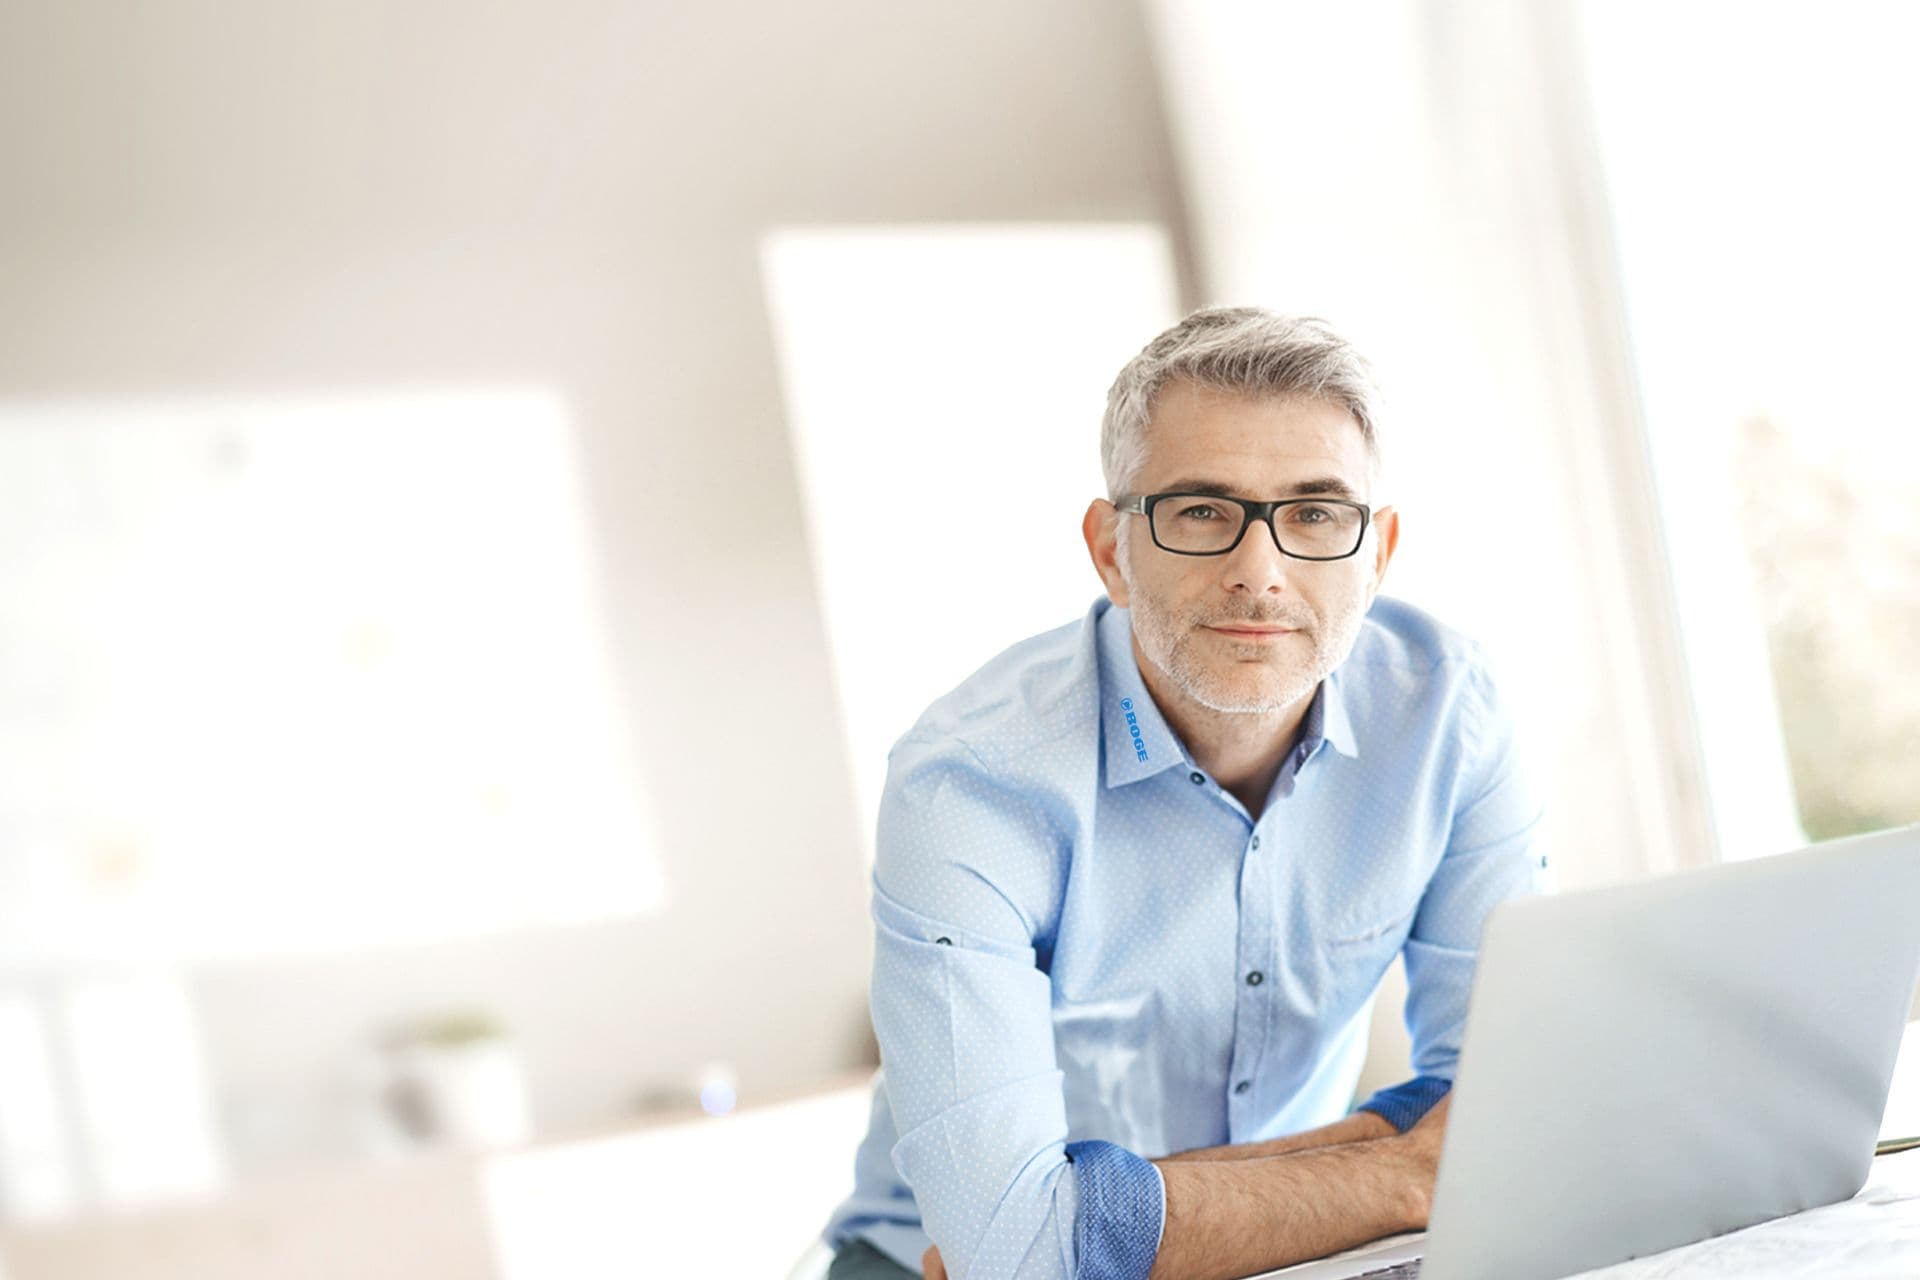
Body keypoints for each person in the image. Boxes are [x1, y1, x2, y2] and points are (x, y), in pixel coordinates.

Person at [819, 307, 1546, 1280]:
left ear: (1378, 553)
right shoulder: (970, 780)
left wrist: (1094, 1221)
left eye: (1317, 512)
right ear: (1113, 550)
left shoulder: (1449, 708)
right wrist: (1402, 1172)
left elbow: (1506, 1104)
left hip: (1291, 1249)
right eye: (1202, 510)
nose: (1261, 572)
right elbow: (1009, 1254)